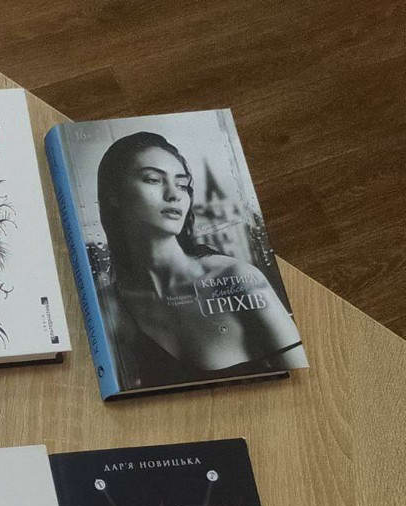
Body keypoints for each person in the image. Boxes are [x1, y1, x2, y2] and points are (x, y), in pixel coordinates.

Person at [94, 132, 306, 386]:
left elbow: (303, 382)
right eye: (153, 179)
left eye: (182, 185)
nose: (174, 195)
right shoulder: (109, 305)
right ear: (113, 195)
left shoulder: (235, 278)